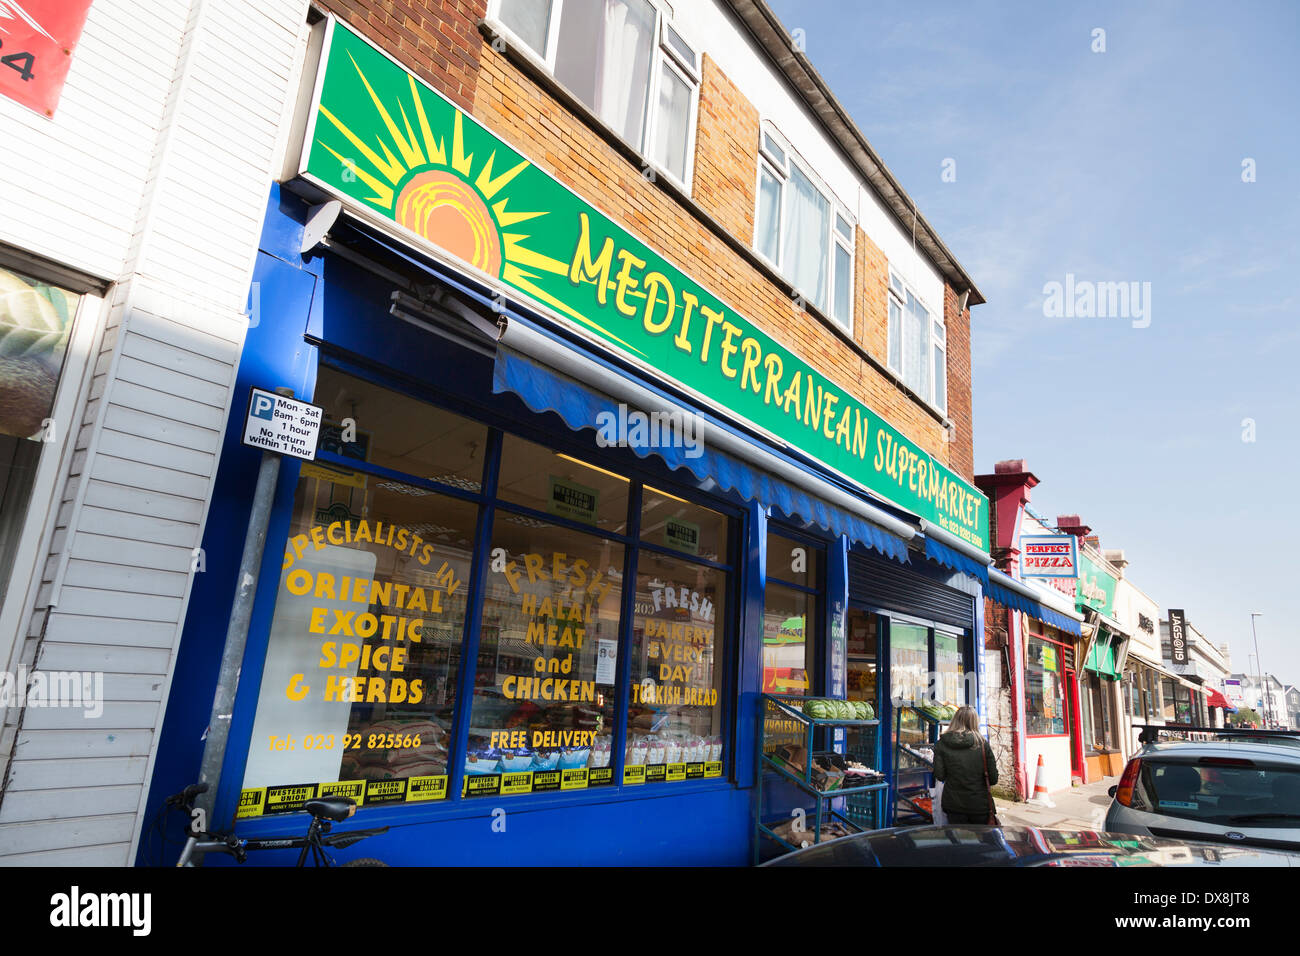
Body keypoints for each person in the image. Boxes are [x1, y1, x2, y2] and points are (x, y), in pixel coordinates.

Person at [932, 705, 998, 825]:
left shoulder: (942, 744)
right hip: (979, 805)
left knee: (958, 842)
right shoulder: (982, 745)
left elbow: (940, 775)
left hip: (953, 805)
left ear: (955, 720)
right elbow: (993, 779)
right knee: (980, 842)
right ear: (975, 722)